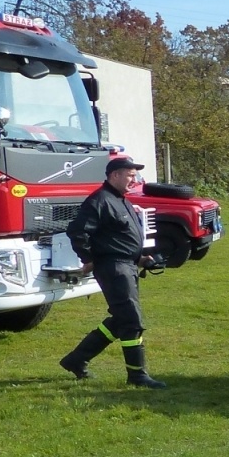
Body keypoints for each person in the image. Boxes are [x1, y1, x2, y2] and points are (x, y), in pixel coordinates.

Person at [58, 155, 168, 388]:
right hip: (113, 268)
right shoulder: (99, 200)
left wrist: (140, 258)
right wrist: (88, 258)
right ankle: (137, 375)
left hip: (126, 265)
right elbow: (78, 231)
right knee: (131, 320)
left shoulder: (120, 199)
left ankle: (76, 359)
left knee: (121, 320)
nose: (134, 179)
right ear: (114, 175)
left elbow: (117, 237)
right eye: (130, 175)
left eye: (135, 175)